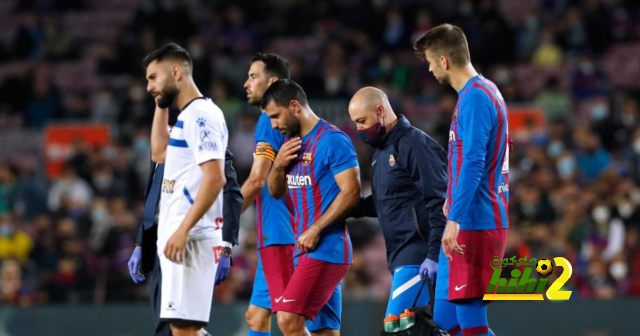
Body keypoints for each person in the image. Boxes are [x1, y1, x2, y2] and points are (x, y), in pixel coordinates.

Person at [414, 24, 511, 336]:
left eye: (430, 61)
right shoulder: (481, 92)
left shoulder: (475, 99)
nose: (429, 68)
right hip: (466, 218)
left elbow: (474, 162)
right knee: (443, 325)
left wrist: (455, 219)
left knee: (471, 323)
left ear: (444, 61)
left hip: (475, 222)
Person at [141, 43, 230, 336]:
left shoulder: (200, 116)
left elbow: (216, 178)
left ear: (176, 71)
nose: (148, 86)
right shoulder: (186, 116)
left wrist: (182, 230)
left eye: (154, 78)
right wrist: (160, 102)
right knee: (183, 330)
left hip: (191, 238)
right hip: (180, 237)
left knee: (185, 330)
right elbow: (158, 153)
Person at [127, 109, 243, 335]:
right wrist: (141, 244)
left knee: (178, 327)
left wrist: (226, 248)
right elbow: (154, 198)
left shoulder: (202, 150)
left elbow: (231, 194)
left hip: (191, 244)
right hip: (162, 244)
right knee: (171, 327)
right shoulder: (160, 150)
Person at [263, 79, 361, 336]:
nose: (274, 125)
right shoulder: (291, 145)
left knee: (287, 320)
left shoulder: (333, 140)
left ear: (294, 106)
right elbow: (275, 191)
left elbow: (352, 191)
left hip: (327, 247)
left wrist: (316, 228)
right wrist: (278, 165)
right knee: (323, 332)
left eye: (275, 116)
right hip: (305, 248)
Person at [347, 86, 447, 317]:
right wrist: (346, 208)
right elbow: (388, 201)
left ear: (380, 110)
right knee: (458, 327)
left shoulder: (414, 144)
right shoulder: (380, 153)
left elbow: (440, 202)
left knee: (396, 327)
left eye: (362, 121)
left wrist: (433, 254)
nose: (359, 129)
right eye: (355, 123)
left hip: (419, 256)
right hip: (402, 255)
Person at [240, 53, 296, 336]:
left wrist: (220, 216)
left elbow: (255, 181)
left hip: (281, 234)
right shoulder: (287, 121)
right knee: (256, 317)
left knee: (290, 322)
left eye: (253, 76)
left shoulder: (267, 120)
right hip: (278, 233)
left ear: (272, 82)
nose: (246, 84)